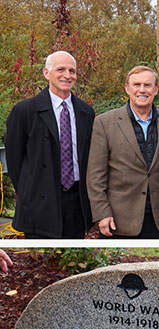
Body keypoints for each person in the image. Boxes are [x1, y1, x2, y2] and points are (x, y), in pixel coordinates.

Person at [5, 51, 95, 239]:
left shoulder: (86, 112)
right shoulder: (24, 111)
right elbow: (14, 161)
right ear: (47, 73)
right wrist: (28, 193)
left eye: (72, 71)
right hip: (40, 204)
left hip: (75, 203)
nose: (67, 75)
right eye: (61, 69)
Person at [87, 66, 159, 238]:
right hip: (119, 219)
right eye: (136, 84)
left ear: (156, 89)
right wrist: (101, 213)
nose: (142, 90)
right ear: (127, 88)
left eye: (147, 85)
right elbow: (95, 176)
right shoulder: (105, 123)